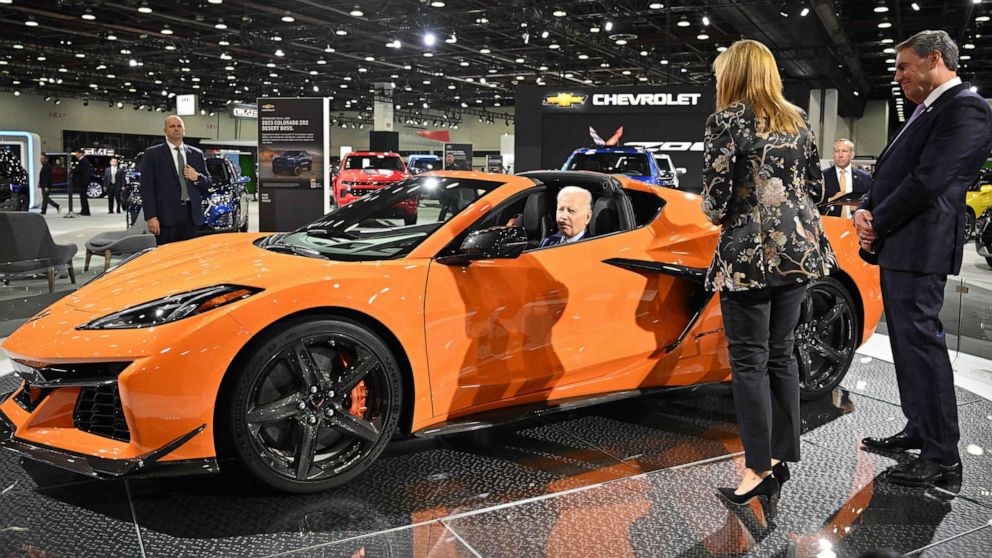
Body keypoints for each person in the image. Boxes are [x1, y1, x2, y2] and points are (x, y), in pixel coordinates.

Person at [855, 30, 992, 487]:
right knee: (907, 346)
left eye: (903, 67)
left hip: (921, 246)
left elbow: (929, 179)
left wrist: (878, 220)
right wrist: (867, 207)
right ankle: (919, 428)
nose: (898, 77)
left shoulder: (966, 107)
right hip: (903, 244)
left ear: (935, 59)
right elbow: (897, 172)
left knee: (922, 346)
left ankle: (942, 456)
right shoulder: (928, 107)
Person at [701, 40, 834, 506]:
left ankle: (758, 468)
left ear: (734, 75)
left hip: (750, 257)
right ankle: (780, 455)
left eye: (721, 74)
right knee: (781, 354)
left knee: (750, 362)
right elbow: (815, 187)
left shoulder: (727, 121)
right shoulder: (797, 119)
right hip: (799, 251)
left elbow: (716, 204)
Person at [139, 115, 211, 244]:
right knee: (167, 258)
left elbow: (208, 183)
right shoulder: (153, 154)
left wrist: (197, 177)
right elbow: (146, 188)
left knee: (189, 257)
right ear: (165, 131)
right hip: (165, 216)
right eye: (172, 126)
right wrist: (151, 217)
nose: (176, 129)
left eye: (179, 126)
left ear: (184, 130)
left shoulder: (196, 154)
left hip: (191, 215)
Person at [821, 139, 871, 217]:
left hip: (855, 224)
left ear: (852, 155)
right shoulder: (822, 176)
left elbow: (872, 202)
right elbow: (814, 203)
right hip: (829, 223)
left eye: (844, 151)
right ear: (833, 154)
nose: (840, 155)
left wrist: (860, 207)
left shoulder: (865, 177)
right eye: (837, 151)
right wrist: (830, 200)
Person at [70, 148, 91, 215]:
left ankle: (85, 211)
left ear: (81, 153)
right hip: (83, 181)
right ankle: (84, 210)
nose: (76, 155)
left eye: (77, 153)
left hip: (83, 182)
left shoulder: (83, 161)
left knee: (83, 197)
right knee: (82, 197)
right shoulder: (83, 161)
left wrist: (72, 171)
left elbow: (79, 170)